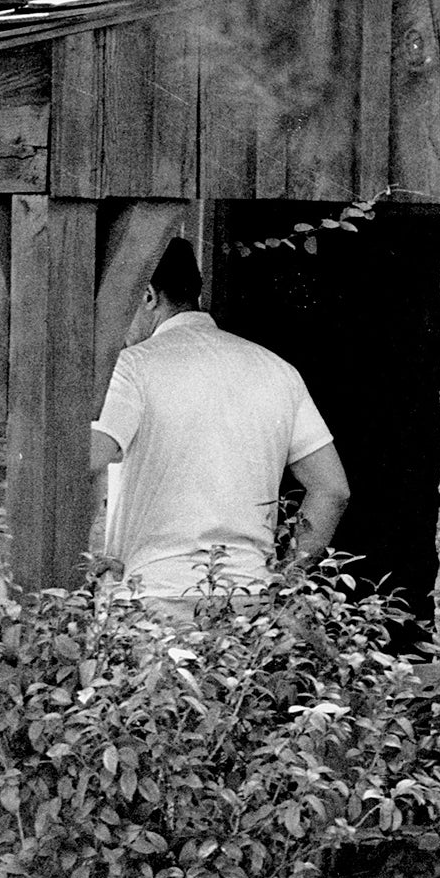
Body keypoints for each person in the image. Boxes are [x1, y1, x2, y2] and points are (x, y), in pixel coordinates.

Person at [90, 238, 351, 616]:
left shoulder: (132, 366)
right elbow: (332, 489)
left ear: (148, 296)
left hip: (153, 597)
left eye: (116, 307)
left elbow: (88, 458)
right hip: (247, 598)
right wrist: (286, 576)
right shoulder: (276, 370)